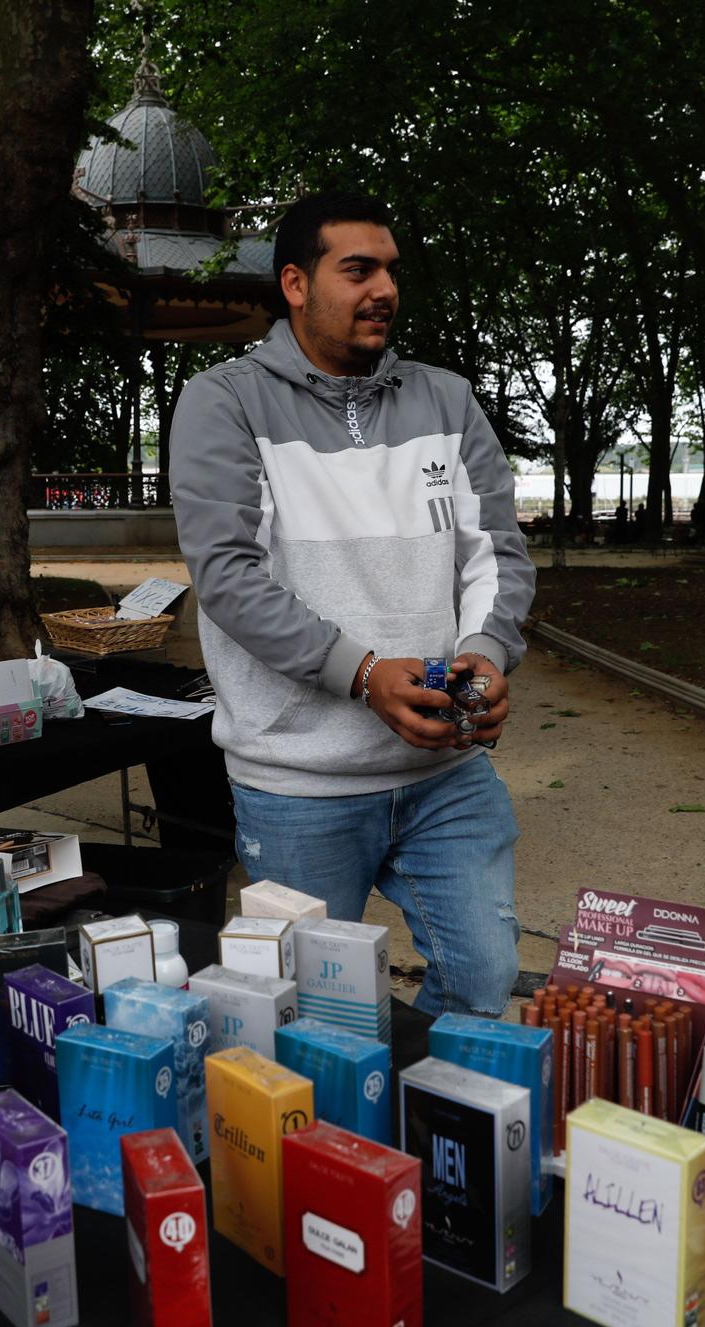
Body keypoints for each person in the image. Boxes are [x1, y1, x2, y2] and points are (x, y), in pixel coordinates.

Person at [171, 190, 536, 1017]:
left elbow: (499, 553)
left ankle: (430, 1127)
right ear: (296, 284)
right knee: (307, 1018)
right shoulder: (224, 402)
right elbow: (227, 575)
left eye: (391, 271)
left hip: (449, 771)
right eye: (358, 269)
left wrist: (486, 649)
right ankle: (344, 1138)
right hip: (299, 781)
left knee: (480, 982)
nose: (384, 290)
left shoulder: (447, 399)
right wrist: (364, 673)